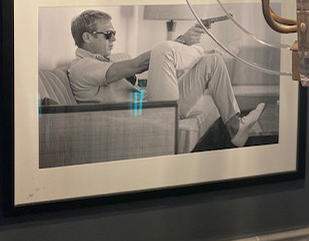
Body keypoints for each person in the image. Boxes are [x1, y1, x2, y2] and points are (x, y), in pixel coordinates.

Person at [68, 9, 265, 147]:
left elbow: (148, 62)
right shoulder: (82, 68)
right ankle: (215, 51)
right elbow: (138, 64)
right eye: (108, 34)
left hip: (151, 108)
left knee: (211, 63)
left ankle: (235, 127)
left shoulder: (101, 62)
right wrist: (184, 43)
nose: (114, 39)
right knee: (163, 49)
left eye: (114, 33)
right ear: (87, 37)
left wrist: (183, 41)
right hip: (146, 118)